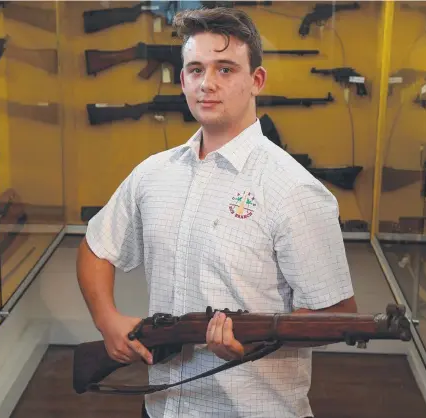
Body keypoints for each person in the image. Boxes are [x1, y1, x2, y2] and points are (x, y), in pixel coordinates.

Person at [77, 7, 357, 418]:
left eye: (225, 69)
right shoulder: (154, 173)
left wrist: (257, 340)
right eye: (195, 70)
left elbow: (337, 314)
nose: (207, 84)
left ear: (255, 80)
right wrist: (107, 319)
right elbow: (95, 247)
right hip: (160, 407)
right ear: (183, 79)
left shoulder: (293, 188)